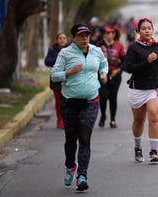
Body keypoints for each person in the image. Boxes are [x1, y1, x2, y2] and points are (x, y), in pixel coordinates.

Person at [51, 24, 108, 191]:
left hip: (90, 101)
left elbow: (103, 64)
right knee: (71, 138)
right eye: (81, 36)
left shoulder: (96, 51)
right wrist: (68, 73)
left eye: (87, 35)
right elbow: (54, 75)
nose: (85, 39)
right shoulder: (65, 53)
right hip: (69, 103)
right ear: (74, 37)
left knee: (84, 139)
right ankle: (70, 165)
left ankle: (82, 175)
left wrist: (103, 73)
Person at [125, 17, 158, 164]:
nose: (147, 30)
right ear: (138, 31)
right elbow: (129, 68)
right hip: (137, 88)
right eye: (143, 28)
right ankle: (138, 148)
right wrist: (147, 62)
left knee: (154, 115)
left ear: (153, 29)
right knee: (138, 121)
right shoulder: (133, 48)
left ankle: (154, 151)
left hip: (154, 87)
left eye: (149, 28)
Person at [96, 26, 126, 128]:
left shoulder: (119, 46)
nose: (107, 35)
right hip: (102, 75)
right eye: (105, 33)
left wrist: (118, 70)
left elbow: (124, 61)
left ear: (113, 34)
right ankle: (103, 115)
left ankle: (113, 119)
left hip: (115, 75)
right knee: (103, 96)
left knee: (113, 97)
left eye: (109, 33)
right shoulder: (99, 45)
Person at [44, 32, 68, 129]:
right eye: (60, 38)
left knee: (68, 103)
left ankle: (67, 121)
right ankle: (60, 120)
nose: (62, 40)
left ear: (67, 40)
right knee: (59, 103)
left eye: (64, 38)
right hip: (56, 81)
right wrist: (59, 58)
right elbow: (47, 61)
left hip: (68, 80)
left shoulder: (71, 50)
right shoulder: (52, 50)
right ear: (57, 40)